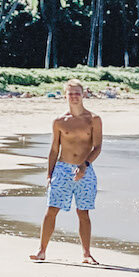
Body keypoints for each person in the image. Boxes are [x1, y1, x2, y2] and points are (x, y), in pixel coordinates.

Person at [30, 80, 102, 265]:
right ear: (65, 96)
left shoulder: (93, 119)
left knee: (83, 212)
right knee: (51, 209)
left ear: (83, 94)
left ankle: (86, 254)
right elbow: (54, 149)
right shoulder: (59, 121)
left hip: (85, 169)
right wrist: (49, 175)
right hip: (62, 169)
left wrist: (85, 165)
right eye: (70, 94)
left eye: (77, 93)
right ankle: (41, 250)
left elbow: (97, 146)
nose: (74, 97)